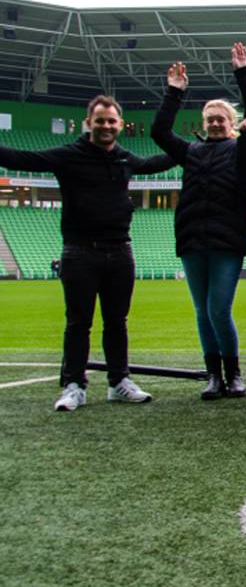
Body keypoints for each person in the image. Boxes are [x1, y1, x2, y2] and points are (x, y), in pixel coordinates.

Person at [0, 94, 173, 411]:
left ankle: (118, 381)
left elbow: (155, 164)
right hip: (80, 252)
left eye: (111, 121)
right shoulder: (69, 155)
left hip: (120, 251)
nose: (106, 126)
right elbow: (19, 159)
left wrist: (192, 150)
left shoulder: (124, 158)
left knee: (116, 322)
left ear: (119, 124)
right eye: (100, 120)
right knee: (78, 323)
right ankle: (73, 385)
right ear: (88, 123)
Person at [151, 44, 246, 400]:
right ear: (203, 124)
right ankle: (213, 375)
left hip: (227, 242)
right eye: (210, 119)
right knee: (202, 312)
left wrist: (242, 74)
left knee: (218, 308)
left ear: (232, 124)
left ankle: (234, 372)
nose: (216, 123)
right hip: (191, 241)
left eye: (222, 119)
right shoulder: (190, 152)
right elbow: (159, 132)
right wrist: (174, 93)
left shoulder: (242, 148)